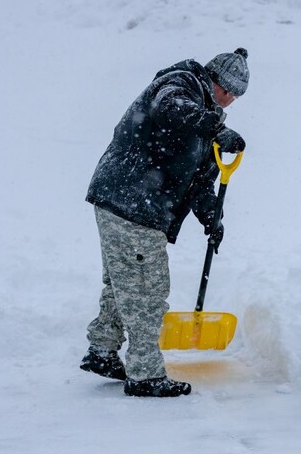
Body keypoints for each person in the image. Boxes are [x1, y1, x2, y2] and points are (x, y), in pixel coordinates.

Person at [79, 48, 249, 397]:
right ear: (215, 80)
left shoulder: (206, 118)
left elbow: (200, 182)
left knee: (124, 283)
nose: (231, 100)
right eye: (229, 91)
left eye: (236, 96)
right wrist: (216, 128)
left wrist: (212, 219)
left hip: (127, 201)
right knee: (146, 290)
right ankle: (145, 374)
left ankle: (102, 350)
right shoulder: (181, 83)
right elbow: (169, 108)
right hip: (132, 201)